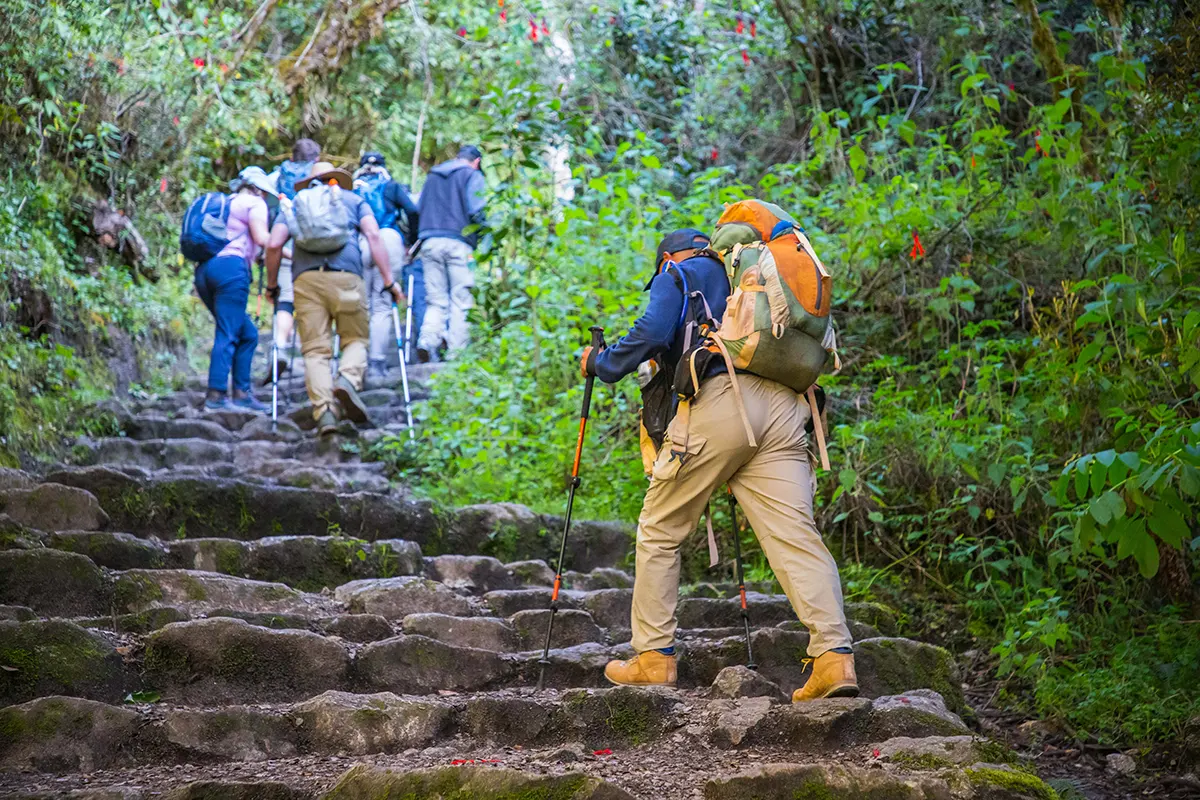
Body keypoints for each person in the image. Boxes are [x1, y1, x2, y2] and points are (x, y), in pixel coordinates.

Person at [582, 229, 859, 702]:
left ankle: (653, 657)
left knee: (660, 527)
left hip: (724, 400)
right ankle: (834, 658)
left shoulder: (679, 273)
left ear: (667, 256)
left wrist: (602, 364)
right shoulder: (755, 276)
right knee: (796, 535)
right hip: (787, 405)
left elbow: (650, 333)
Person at [263, 162, 404, 436]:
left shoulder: (295, 204)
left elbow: (273, 244)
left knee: (315, 350)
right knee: (355, 339)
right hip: (347, 276)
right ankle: (348, 379)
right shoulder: (353, 199)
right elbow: (374, 236)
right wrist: (389, 281)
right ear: (337, 180)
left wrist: (271, 286)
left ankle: (325, 412)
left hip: (306, 280)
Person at [195, 166, 276, 412]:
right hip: (231, 270)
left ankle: (242, 393)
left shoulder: (225, 203)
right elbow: (264, 239)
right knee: (229, 331)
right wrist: (291, 253)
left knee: (248, 334)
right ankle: (216, 396)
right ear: (259, 189)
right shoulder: (254, 203)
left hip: (204, 270)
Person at [414, 144, 487, 362]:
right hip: (458, 243)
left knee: (435, 300)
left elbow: (417, 209)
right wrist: (486, 236)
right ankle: (457, 354)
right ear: (477, 161)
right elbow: (477, 209)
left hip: (429, 241)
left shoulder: (433, 175)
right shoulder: (471, 175)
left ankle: (427, 340)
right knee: (460, 298)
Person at [352, 152, 422, 379]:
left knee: (361, 304)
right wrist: (411, 240)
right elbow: (412, 210)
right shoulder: (392, 186)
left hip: (360, 243)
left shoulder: (352, 189)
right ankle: (377, 363)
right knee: (382, 305)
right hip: (389, 240)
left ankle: (354, 361)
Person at [264, 138, 322, 375]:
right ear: (316, 159)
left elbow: (267, 209)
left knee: (285, 301)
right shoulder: (319, 177)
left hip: (284, 243)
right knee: (316, 302)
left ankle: (280, 346)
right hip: (315, 246)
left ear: (291, 157)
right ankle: (317, 355)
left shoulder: (276, 177)